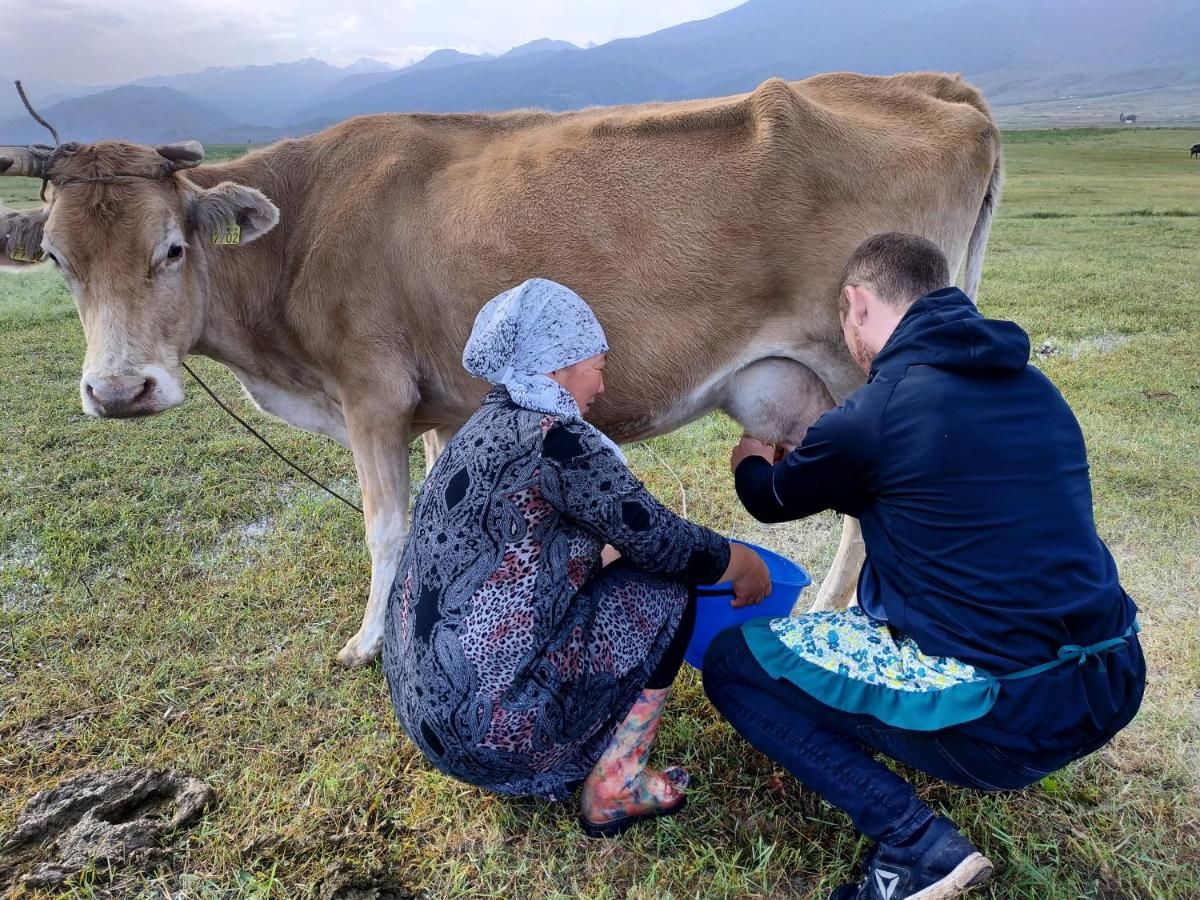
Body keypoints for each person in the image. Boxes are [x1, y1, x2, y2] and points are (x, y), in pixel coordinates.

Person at [703, 234, 1146, 899]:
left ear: (856, 305)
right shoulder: (1036, 388)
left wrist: (749, 449)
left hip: (1006, 719)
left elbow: (768, 500)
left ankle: (916, 843)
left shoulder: (875, 414)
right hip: (1110, 681)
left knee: (733, 664)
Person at [382, 277, 770, 836]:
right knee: (667, 586)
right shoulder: (558, 440)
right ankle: (617, 784)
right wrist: (739, 562)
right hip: (491, 734)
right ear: (560, 365)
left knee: (619, 567)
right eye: (598, 365)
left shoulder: (484, 424)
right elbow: (662, 540)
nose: (603, 384)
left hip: (434, 722)